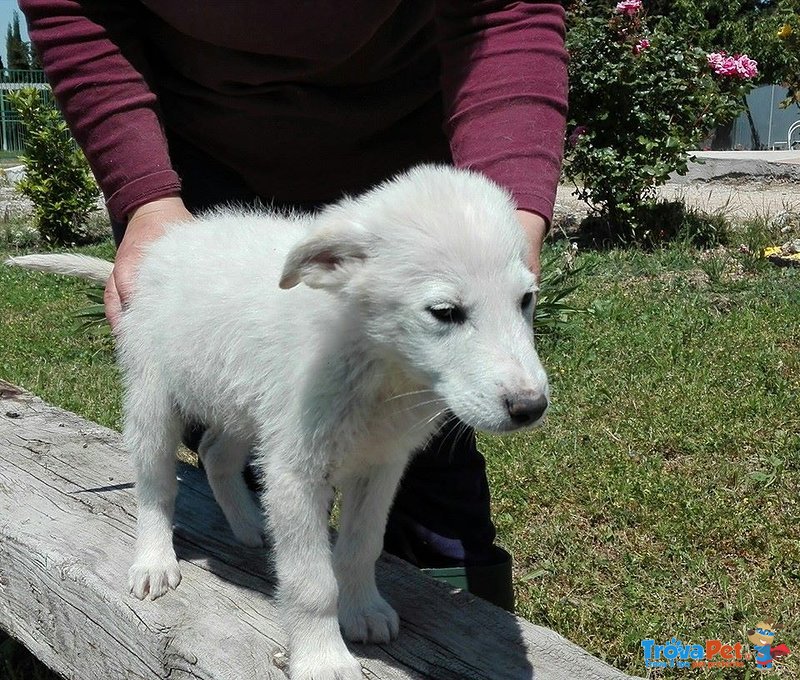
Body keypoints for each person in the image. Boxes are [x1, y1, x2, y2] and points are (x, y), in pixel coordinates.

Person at [21, 0, 568, 611]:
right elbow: (73, 9)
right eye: (447, 313)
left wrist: (510, 229)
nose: (528, 384)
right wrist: (146, 197)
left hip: (407, 149)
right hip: (200, 152)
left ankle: (466, 623)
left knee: (418, 440)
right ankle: (161, 526)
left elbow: (508, 15)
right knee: (203, 412)